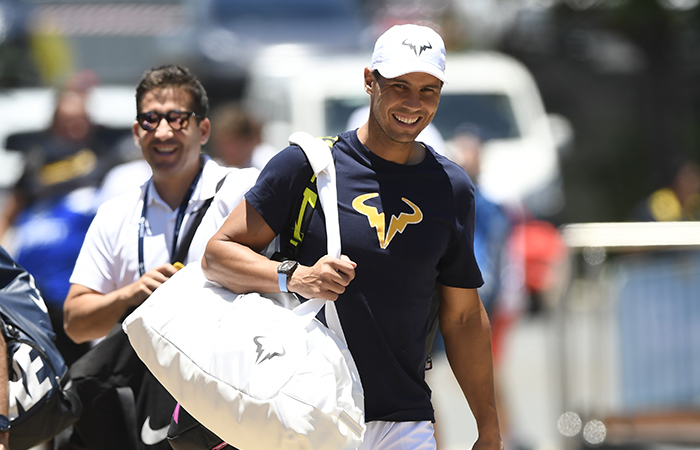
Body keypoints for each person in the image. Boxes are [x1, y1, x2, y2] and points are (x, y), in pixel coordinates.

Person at [202, 24, 503, 450]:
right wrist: (295, 276)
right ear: (369, 81)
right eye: (399, 86)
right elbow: (217, 255)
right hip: (305, 411)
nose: (413, 103)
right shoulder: (304, 166)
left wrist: (488, 429)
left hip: (404, 420)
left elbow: (463, 317)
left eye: (428, 90)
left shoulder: (450, 187)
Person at [63, 64, 259, 449]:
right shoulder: (117, 211)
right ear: (137, 132)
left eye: (177, 118)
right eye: (150, 120)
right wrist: (131, 295)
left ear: (203, 130)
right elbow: (75, 323)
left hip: (228, 400)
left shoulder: (242, 191)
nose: (163, 131)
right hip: (139, 404)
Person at [0, 73, 131, 367]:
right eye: (67, 119)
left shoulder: (105, 159)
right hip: (34, 289)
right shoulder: (37, 159)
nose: (74, 126)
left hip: (80, 285)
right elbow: (12, 210)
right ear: (54, 121)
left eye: (80, 119)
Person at [208, 101, 277, 170]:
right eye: (221, 145)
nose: (227, 151)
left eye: (232, 144)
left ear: (248, 140)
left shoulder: (268, 162)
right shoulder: (217, 167)